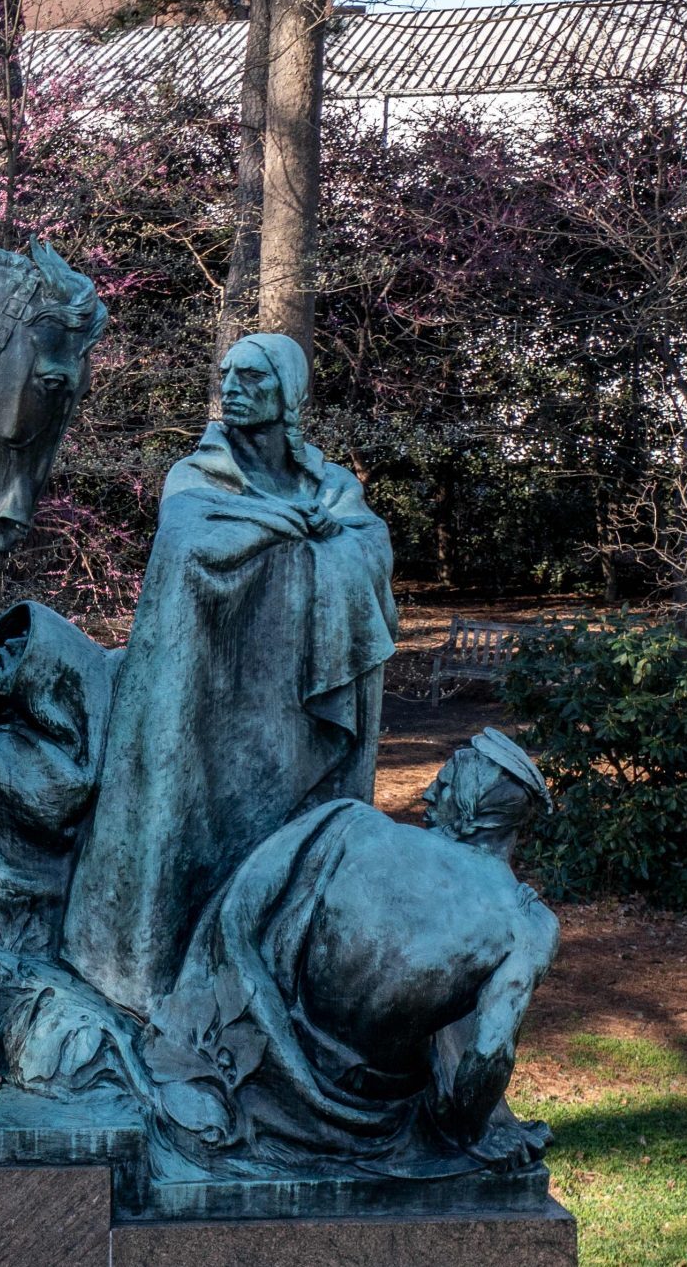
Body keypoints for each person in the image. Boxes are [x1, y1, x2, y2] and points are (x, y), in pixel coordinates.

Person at [60, 333, 397, 1016]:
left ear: (288, 394)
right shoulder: (197, 477)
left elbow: (368, 553)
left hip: (295, 717)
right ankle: (160, 974)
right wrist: (285, 527)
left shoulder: (332, 488)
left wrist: (307, 540)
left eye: (252, 377)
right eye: (227, 374)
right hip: (202, 714)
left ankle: (280, 971)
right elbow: (189, 541)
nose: (232, 387)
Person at [142, 730, 560, 1176]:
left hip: (260, 1055)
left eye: (444, 786)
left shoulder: (349, 824)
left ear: (474, 813)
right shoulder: (525, 926)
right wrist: (473, 1135)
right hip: (367, 1110)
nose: (425, 793)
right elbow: (489, 1054)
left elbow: (238, 913)